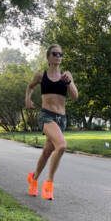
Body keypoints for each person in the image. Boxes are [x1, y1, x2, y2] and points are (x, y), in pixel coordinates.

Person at [25, 44, 78, 200]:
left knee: (47, 152)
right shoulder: (41, 76)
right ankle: (48, 184)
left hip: (61, 119)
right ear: (48, 57)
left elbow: (75, 97)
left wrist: (69, 83)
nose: (58, 56)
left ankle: (33, 179)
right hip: (46, 116)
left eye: (60, 54)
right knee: (61, 145)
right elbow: (30, 87)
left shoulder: (66, 75)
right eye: (55, 54)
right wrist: (27, 99)